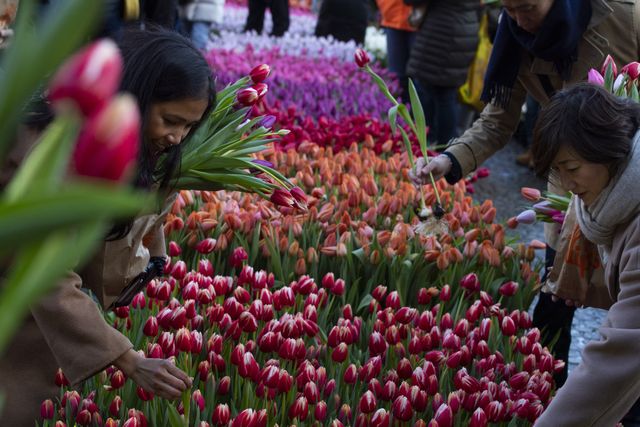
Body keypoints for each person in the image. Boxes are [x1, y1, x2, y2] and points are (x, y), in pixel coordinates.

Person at [409, 0, 640, 386]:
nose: (518, 21)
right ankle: (542, 395)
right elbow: (500, 119)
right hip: (569, 190)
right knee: (553, 307)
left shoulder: (622, 16)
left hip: (630, 186)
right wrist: (450, 160)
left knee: (629, 317)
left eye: (527, 8)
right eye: (509, 10)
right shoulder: (514, 34)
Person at [0, 26, 215, 426]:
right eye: (170, 120)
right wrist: (128, 359)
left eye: (188, 127)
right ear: (136, 95)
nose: (176, 137)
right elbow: (43, 267)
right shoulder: (61, 144)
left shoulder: (118, 135)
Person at [531, 82, 640, 427]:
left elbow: (624, 344)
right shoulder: (615, 201)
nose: (566, 184)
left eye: (572, 169)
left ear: (606, 148)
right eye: (556, 172)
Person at [404, 0, 480, 146]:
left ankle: (433, 145)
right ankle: (445, 148)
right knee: (446, 95)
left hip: (441, 32)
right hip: (465, 28)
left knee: (432, 93)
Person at [375, 0, 416, 102]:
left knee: (420, 82)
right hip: (392, 15)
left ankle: (419, 117)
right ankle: (403, 116)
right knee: (396, 78)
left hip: (419, 18)